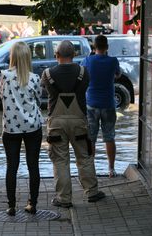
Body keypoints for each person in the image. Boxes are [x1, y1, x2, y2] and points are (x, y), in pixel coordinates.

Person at [41, 40, 105, 208]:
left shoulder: (47, 74)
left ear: (57, 55)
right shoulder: (84, 72)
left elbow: (45, 90)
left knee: (60, 160)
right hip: (79, 121)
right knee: (84, 157)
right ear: (74, 55)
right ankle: (92, 192)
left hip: (56, 122)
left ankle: (63, 199)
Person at [0, 41, 44, 216]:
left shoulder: (4, 75)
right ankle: (33, 204)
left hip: (11, 127)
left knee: (12, 166)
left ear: (13, 57)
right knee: (33, 165)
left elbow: (1, 95)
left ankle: (11, 205)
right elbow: (39, 100)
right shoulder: (34, 78)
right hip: (32, 126)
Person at [80, 35, 121, 178]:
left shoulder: (87, 61)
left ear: (94, 47)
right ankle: (111, 169)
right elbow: (118, 74)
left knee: (91, 138)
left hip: (91, 104)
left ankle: (91, 170)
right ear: (107, 47)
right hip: (109, 104)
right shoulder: (113, 61)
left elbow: (81, 75)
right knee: (109, 137)